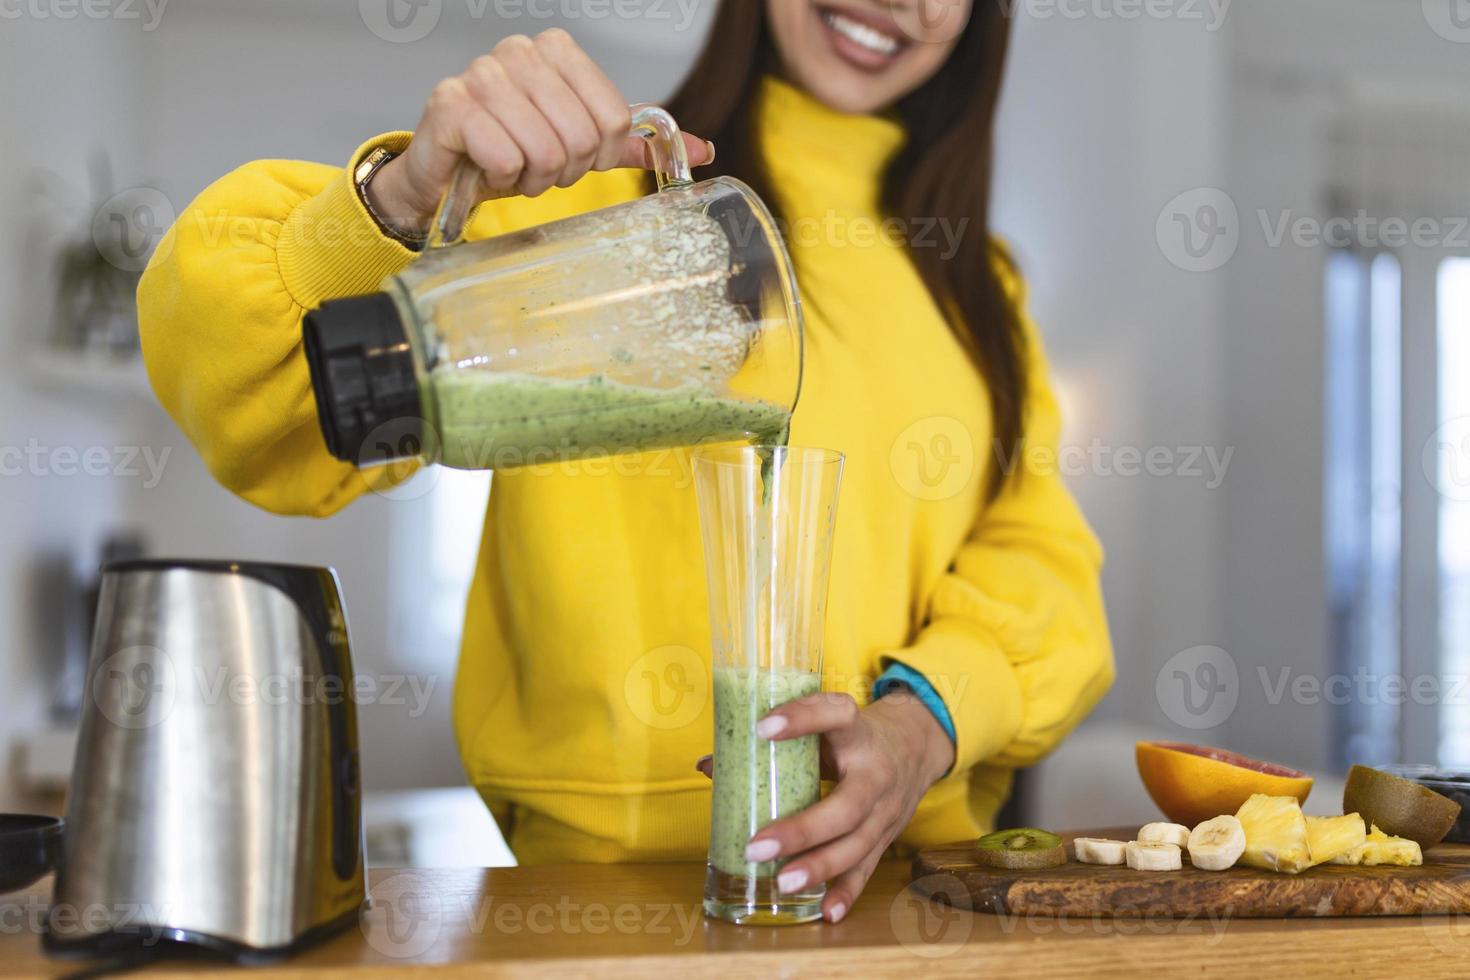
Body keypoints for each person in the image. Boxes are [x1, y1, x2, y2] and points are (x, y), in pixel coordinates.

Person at [139, 0, 1114, 921]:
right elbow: (253, 398)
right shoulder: (591, 207)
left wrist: (923, 719)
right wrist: (393, 202)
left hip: (906, 898)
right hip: (575, 911)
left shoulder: (980, 288)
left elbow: (1042, 560)